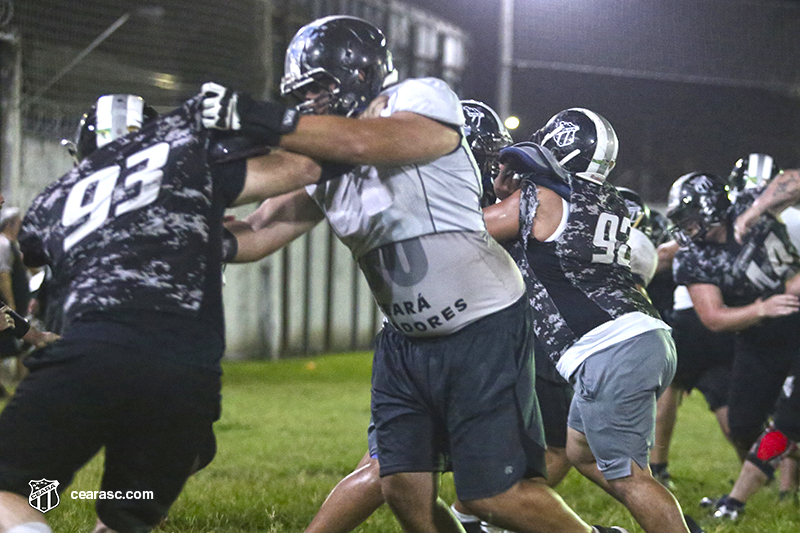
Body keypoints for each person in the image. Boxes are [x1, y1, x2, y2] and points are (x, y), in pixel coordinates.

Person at [207, 15, 626, 533]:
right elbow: (261, 228)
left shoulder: (419, 99)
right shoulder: (322, 152)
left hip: (482, 325)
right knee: (401, 485)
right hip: (405, 341)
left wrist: (260, 118)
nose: (308, 102)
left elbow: (370, 144)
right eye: (301, 93)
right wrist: (194, 225)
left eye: (318, 88)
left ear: (357, 75)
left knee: (497, 497)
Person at [0, 91, 321, 533]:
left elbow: (37, 272)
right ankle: (123, 498)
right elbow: (289, 186)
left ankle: (45, 502)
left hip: (94, 357)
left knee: (21, 481)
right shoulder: (188, 170)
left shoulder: (56, 203)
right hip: (185, 375)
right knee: (144, 492)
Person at [477, 106, 691, 533]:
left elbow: (469, 231)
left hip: (611, 345)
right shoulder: (607, 198)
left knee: (629, 475)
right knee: (582, 452)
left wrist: (496, 193)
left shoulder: (545, 196)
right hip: (640, 335)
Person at [667, 171, 800, 521]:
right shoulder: (693, 256)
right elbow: (713, 317)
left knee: (786, 423)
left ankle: (736, 501)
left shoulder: (745, 204)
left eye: (689, 217)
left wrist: (758, 209)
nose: (687, 227)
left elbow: (794, 179)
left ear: (711, 206)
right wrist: (761, 308)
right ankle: (773, 460)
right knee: (742, 425)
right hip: (759, 333)